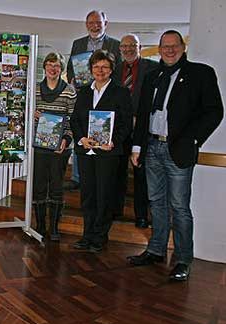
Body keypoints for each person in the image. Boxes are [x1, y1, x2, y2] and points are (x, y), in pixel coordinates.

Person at [127, 30, 223, 281]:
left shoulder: (200, 74)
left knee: (179, 207)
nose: (169, 50)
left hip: (178, 150)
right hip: (151, 148)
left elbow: (214, 111)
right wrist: (137, 147)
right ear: (158, 49)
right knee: (156, 203)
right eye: (165, 46)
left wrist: (193, 139)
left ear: (183, 47)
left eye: (174, 46)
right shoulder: (151, 77)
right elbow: (142, 115)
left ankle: (182, 259)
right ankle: (156, 250)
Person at [70, 50, 132, 253]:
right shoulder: (84, 92)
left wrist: (113, 141)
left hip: (108, 152)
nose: (100, 70)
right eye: (96, 67)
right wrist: (81, 138)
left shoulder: (121, 92)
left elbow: (125, 125)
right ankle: (87, 236)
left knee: (104, 195)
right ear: (90, 69)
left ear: (112, 69)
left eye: (104, 66)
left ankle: (99, 236)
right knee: (88, 195)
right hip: (86, 152)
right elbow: (75, 120)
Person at [65, 10, 122, 191]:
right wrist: (73, 80)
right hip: (84, 95)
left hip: (105, 96)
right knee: (80, 131)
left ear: (106, 23)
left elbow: (117, 71)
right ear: (86, 24)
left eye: (98, 22)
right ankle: (76, 176)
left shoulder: (115, 44)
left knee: (101, 130)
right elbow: (71, 68)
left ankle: (98, 174)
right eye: (91, 22)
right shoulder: (78, 43)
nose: (95, 25)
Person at [112, 34, 159, 227]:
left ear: (140, 47)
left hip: (142, 127)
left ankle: (141, 215)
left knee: (141, 173)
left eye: (133, 45)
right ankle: (115, 210)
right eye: (125, 46)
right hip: (119, 127)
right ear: (120, 49)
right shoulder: (114, 70)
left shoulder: (153, 67)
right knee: (117, 171)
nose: (128, 49)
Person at [33, 52, 76, 242]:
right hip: (39, 147)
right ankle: (40, 225)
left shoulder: (69, 91)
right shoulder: (33, 90)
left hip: (61, 147)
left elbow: (73, 120)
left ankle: (54, 227)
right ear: (44, 67)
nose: (53, 68)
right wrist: (30, 113)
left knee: (57, 187)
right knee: (39, 187)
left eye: (57, 65)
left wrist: (66, 139)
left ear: (62, 69)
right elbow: (23, 118)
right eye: (50, 64)